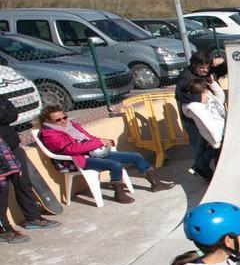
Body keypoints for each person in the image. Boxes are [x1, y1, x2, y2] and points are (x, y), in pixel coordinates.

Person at [38, 105, 174, 204]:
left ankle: (156, 184)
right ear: (49, 122)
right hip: (78, 160)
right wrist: (97, 143)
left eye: (64, 117)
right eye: (58, 120)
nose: (63, 121)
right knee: (115, 165)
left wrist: (103, 142)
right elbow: (71, 149)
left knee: (135, 156)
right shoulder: (50, 134)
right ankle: (119, 194)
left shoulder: (72, 125)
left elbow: (88, 137)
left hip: (95, 153)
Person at [0, 86, 60, 243]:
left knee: (23, 183)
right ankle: (4, 229)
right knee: (1, 191)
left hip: (12, 146)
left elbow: (12, 115)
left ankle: (32, 218)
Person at [177, 51, 221, 181]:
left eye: (207, 67)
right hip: (193, 121)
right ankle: (202, 170)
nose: (205, 70)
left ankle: (202, 167)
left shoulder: (205, 68)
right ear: (194, 65)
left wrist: (220, 59)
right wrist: (198, 97)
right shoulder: (186, 77)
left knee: (214, 144)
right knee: (199, 148)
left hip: (207, 116)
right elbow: (178, 95)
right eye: (202, 68)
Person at [180, 74, 227, 152]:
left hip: (222, 131)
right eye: (205, 88)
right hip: (217, 136)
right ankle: (200, 163)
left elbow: (220, 98)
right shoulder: (195, 107)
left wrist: (212, 83)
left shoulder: (207, 95)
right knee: (213, 153)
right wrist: (218, 140)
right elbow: (207, 123)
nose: (208, 90)